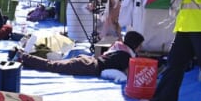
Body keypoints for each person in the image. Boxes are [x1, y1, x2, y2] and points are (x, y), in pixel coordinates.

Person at [12, 31, 144, 77]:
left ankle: (25, 59)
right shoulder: (126, 57)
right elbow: (121, 73)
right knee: (51, 66)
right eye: (140, 45)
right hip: (87, 66)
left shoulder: (121, 49)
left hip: (87, 62)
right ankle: (23, 56)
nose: (140, 48)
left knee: (52, 64)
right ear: (135, 44)